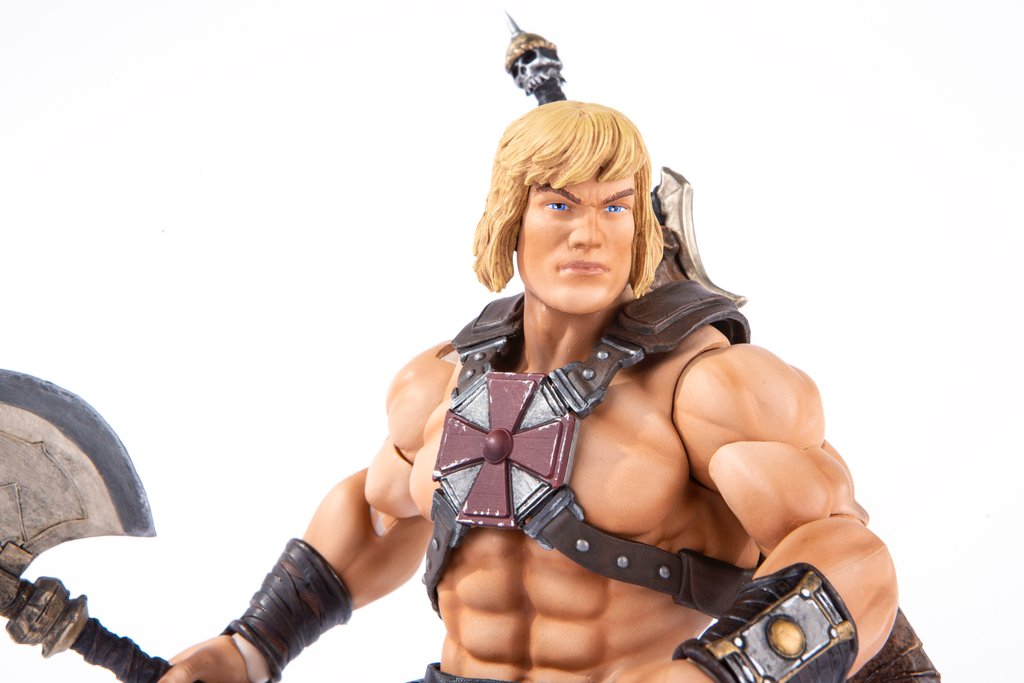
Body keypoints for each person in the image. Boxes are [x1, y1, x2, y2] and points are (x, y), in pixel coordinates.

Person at [158, 101, 901, 683]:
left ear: (641, 228)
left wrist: (721, 673)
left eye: (615, 207)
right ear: (511, 217)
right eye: (560, 205)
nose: (588, 235)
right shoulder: (441, 382)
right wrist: (252, 645)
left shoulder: (708, 386)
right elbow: (377, 516)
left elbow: (852, 557)